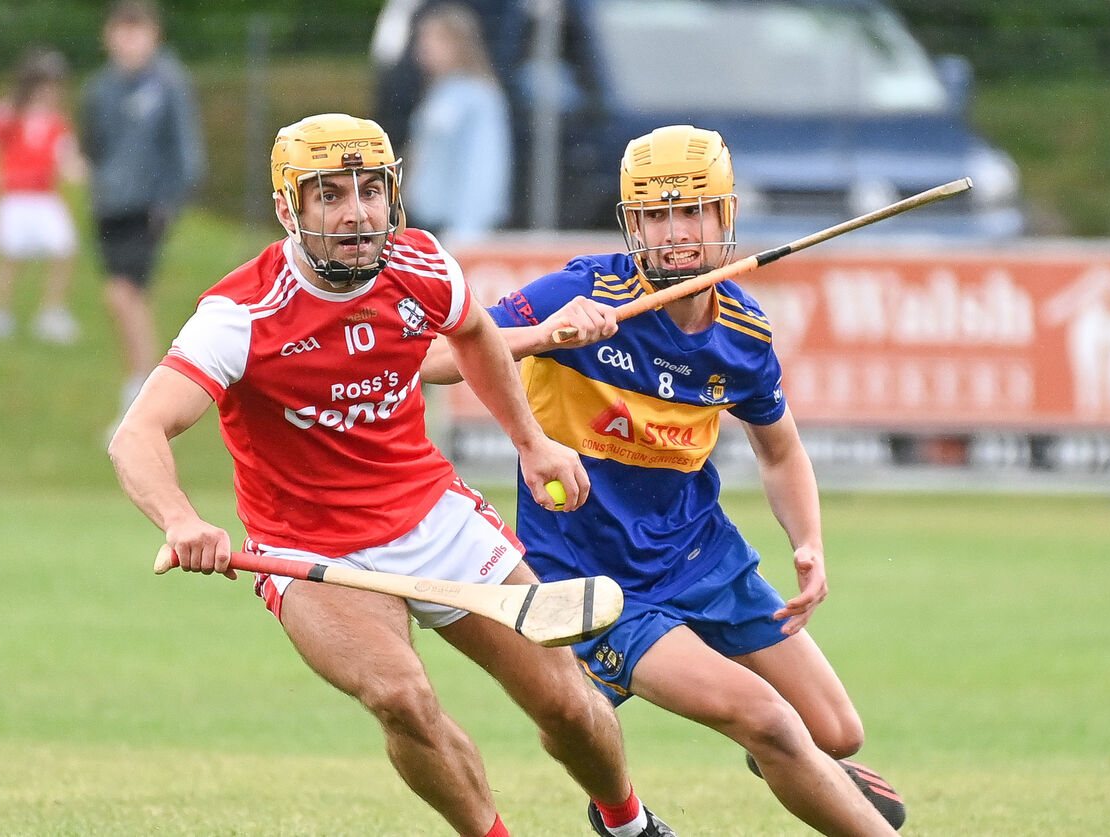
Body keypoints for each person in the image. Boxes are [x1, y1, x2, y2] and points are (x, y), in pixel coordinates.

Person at [107, 112, 675, 837]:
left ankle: (628, 823)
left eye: (370, 190)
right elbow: (139, 433)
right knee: (401, 695)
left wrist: (531, 442)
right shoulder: (242, 316)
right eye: (331, 195)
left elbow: (471, 338)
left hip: (432, 516)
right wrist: (182, 519)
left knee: (565, 701)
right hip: (311, 552)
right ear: (290, 208)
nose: (357, 213)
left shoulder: (421, 264)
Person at [421, 125, 907, 835]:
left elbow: (779, 452)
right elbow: (438, 355)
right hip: (594, 574)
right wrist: (546, 335)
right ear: (633, 223)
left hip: (701, 554)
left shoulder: (742, 330)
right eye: (656, 215)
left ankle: (781, 752)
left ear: (725, 217)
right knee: (767, 720)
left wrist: (808, 542)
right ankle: (649, 727)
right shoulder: (586, 288)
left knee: (834, 732)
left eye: (692, 211)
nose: (675, 232)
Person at [81, 0, 204, 436]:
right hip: (108, 207)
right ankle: (145, 393)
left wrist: (168, 202)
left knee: (122, 295)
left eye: (139, 31)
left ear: (154, 35)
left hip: (146, 210)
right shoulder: (100, 88)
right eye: (122, 31)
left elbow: (187, 152)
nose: (129, 41)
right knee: (126, 301)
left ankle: (141, 395)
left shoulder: (168, 83)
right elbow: (93, 145)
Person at [0, 47, 87, 344]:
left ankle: (51, 311)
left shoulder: (57, 121)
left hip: (45, 197)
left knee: (64, 249)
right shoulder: (7, 113)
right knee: (10, 256)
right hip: (14, 198)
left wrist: (81, 171)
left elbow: (67, 158)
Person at [402, 2, 513, 241]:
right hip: (425, 222)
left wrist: (467, 230)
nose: (424, 48)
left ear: (459, 44)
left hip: (456, 229)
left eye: (435, 39)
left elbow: (483, 165)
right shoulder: (438, 92)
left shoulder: (479, 96)